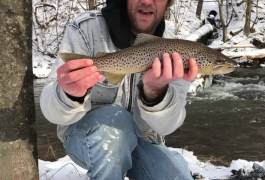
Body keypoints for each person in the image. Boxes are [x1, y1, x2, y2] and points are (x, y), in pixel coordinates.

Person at [40, 0, 199, 179]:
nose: (147, 1)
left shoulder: (177, 49)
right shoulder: (85, 28)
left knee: (177, 174)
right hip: (89, 137)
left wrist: (155, 93)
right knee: (115, 130)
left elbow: (168, 126)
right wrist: (70, 94)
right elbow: (51, 113)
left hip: (144, 141)